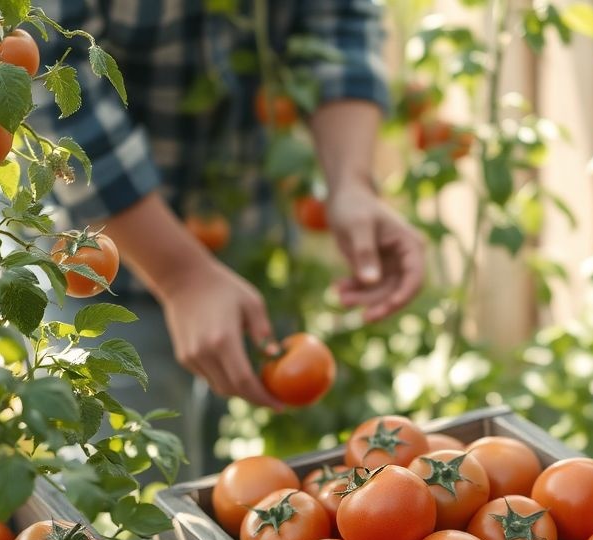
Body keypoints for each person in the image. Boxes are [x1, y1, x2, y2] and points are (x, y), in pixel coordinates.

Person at [23, 1, 425, 471]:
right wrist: (181, 275)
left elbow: (340, 15)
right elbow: (41, 73)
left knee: (221, 473)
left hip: (241, 231)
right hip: (86, 252)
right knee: (122, 487)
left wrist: (351, 182)